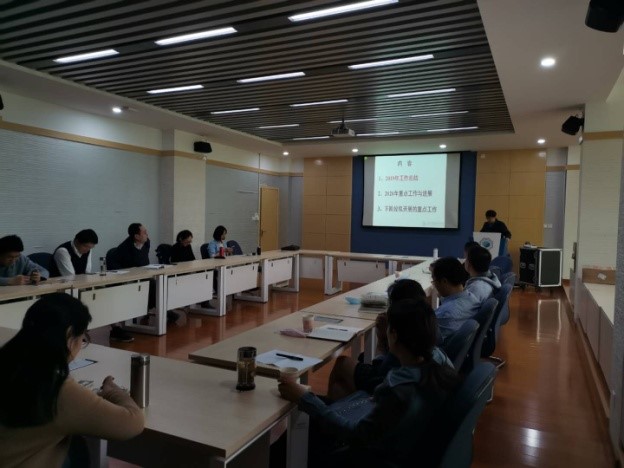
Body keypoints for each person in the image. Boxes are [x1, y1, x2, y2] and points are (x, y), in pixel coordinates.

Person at [278, 298, 460, 468]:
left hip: (371, 456)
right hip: (405, 447)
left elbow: (357, 435)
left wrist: (304, 398)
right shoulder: (440, 364)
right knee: (331, 397)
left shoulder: (398, 389)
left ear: (394, 334)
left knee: (299, 430)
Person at [0, 293, 144, 467]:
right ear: (69, 337)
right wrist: (113, 392)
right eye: (82, 338)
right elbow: (132, 422)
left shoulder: (9, 363)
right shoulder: (56, 389)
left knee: (74, 443)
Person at [327, 279, 439, 400]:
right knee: (338, 389)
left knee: (342, 363)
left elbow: (382, 370)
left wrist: (381, 338)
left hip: (383, 384)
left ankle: (327, 407)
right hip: (391, 383)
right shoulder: (427, 326)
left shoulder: (396, 380)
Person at [431, 257, 481, 344]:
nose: (434, 284)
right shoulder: (472, 298)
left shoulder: (445, 313)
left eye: (434, 280)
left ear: (444, 281)